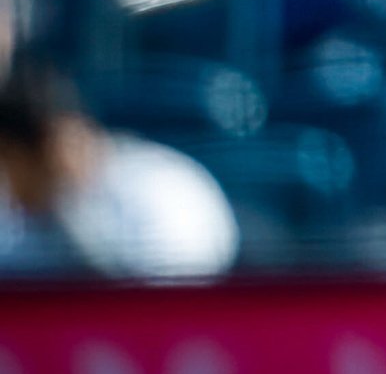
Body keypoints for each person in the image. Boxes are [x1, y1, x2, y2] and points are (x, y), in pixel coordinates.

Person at [0, 57, 235, 279]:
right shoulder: (41, 216)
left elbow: (167, 308)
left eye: (7, 165)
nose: (12, 190)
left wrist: (75, 215)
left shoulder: (165, 195)